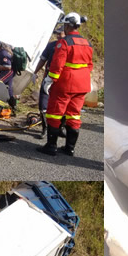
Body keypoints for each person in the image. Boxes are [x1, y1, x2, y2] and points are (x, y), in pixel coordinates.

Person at [38, 12, 94, 157]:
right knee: (74, 115)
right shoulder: (87, 43)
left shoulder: (64, 42)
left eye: (64, 25)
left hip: (65, 84)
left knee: (54, 113)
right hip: (82, 85)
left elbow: (57, 64)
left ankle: (51, 146)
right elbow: (89, 65)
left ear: (68, 25)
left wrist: (50, 80)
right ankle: (70, 148)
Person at [33, 27, 67, 137]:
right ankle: (45, 128)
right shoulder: (51, 45)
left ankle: (61, 127)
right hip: (49, 77)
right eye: (56, 34)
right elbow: (43, 59)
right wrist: (35, 72)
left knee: (62, 105)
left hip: (62, 79)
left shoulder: (70, 46)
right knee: (43, 103)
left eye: (60, 34)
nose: (57, 36)